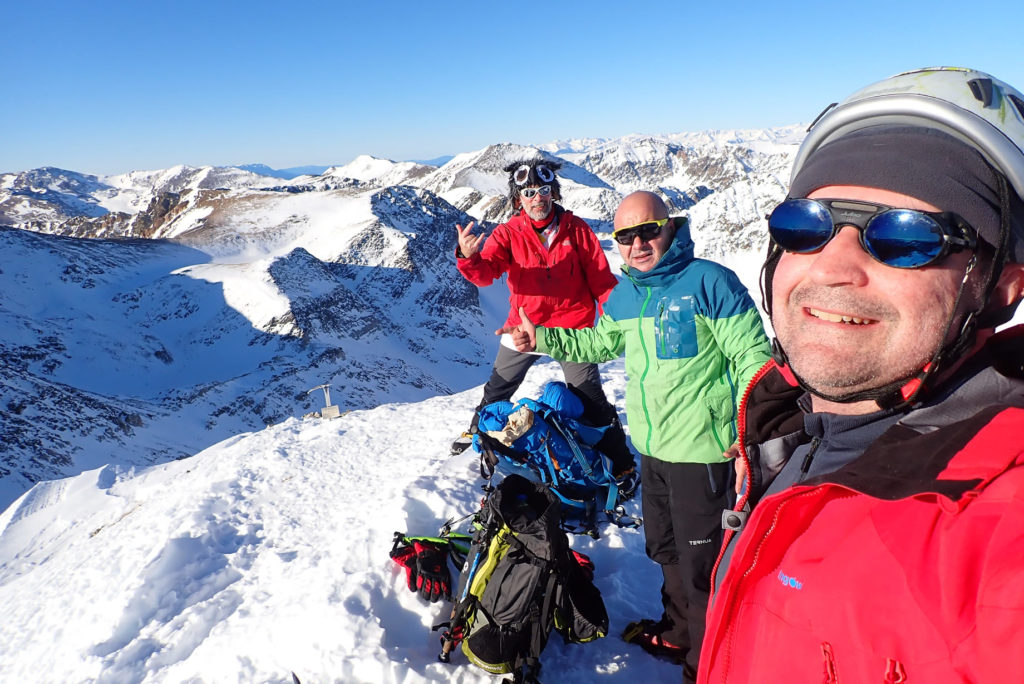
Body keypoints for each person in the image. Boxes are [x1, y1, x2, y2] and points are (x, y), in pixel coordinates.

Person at [699, 67, 1024, 683]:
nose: (834, 266)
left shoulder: (997, 527)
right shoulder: (787, 437)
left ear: (1001, 286)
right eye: (806, 226)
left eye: (906, 238)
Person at [503, 190, 771, 682]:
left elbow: (753, 359)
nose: (639, 244)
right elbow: (597, 341)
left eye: (649, 230)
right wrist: (540, 338)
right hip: (651, 449)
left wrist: (744, 433)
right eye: (626, 236)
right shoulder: (626, 294)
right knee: (665, 550)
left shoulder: (709, 282)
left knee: (701, 565)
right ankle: (678, 632)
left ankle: (704, 666)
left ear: (671, 228)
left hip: (704, 453)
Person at [451, 158, 636, 482]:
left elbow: (601, 281)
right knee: (498, 387)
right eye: (529, 192)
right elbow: (486, 273)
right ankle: (475, 432)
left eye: (544, 190)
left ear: (554, 194)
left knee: (590, 397)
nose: (537, 197)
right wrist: (468, 257)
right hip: (523, 326)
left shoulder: (577, 230)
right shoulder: (509, 233)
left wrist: (622, 315)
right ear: (517, 198)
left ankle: (620, 456)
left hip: (572, 328)